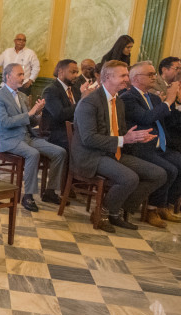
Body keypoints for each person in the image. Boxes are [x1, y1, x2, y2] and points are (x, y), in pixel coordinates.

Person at [71, 60, 166, 232]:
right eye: (123, 76)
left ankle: (117, 210)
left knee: (158, 174)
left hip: (113, 152)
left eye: (126, 75)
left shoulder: (118, 102)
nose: (127, 79)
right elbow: (89, 139)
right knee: (129, 178)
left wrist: (137, 138)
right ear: (108, 77)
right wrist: (124, 140)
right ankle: (102, 212)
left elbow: (121, 132)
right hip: (91, 155)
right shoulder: (89, 102)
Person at [0, 63, 67, 211]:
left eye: (23, 74)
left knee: (60, 152)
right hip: (10, 140)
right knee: (33, 154)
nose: (23, 77)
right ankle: (28, 196)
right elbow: (4, 122)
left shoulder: (22, 96)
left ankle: (50, 191)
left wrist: (37, 113)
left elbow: (30, 122)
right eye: (19, 74)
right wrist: (30, 113)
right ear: (8, 76)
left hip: (28, 137)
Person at [120, 61, 181, 227]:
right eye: (150, 74)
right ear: (136, 78)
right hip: (140, 147)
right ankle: (151, 210)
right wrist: (168, 101)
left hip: (160, 146)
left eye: (154, 74)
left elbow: (169, 120)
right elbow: (146, 118)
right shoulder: (128, 98)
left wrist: (176, 102)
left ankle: (164, 206)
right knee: (169, 170)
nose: (154, 77)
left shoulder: (153, 97)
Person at [41, 59, 97, 149]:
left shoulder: (74, 88)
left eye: (77, 72)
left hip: (75, 130)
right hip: (57, 133)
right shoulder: (51, 90)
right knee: (88, 145)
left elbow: (80, 111)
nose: (76, 75)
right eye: (73, 72)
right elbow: (60, 115)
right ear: (61, 72)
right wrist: (82, 100)